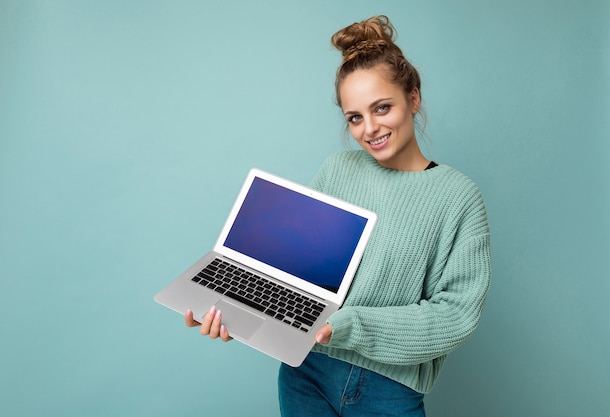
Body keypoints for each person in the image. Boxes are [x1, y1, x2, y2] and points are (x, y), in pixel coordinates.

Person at [185, 15, 491, 417]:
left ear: (413, 99)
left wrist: (345, 327)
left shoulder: (458, 197)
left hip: (388, 388)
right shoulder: (337, 170)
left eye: (383, 108)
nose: (370, 129)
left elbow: (456, 315)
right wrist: (240, 315)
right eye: (355, 117)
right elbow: (301, 271)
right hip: (307, 370)